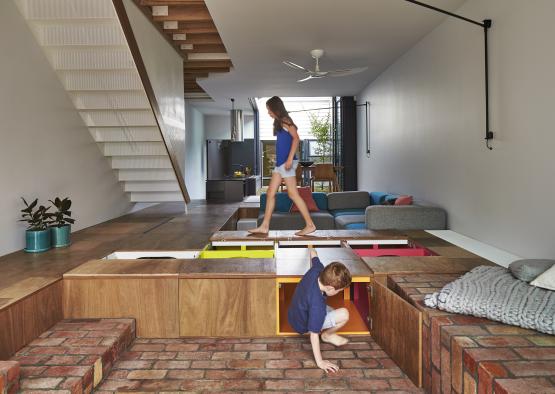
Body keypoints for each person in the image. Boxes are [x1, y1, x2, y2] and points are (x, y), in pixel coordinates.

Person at [249, 96, 316, 236]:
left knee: (293, 194)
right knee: (270, 193)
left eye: (269, 110)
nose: (268, 113)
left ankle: (310, 225)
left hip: (287, 163)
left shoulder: (286, 120)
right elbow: (284, 142)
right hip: (281, 164)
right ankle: (265, 226)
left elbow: (296, 138)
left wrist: (290, 159)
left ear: (275, 108)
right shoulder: (280, 122)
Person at [287, 245, 352, 373]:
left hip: (294, 315)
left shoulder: (318, 270)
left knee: (333, 311)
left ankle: (326, 332)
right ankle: (327, 335)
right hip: (303, 326)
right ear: (330, 288)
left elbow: (314, 255)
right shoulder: (317, 305)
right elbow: (314, 335)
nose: (339, 292)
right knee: (344, 314)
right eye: (339, 291)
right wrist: (320, 362)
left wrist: (311, 248)